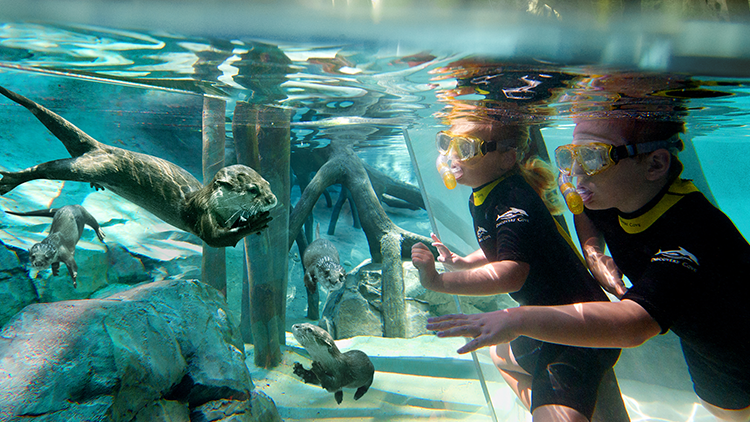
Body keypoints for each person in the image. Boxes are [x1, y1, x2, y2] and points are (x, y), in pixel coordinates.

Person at [426, 116, 750, 421]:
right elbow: (582, 210)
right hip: (708, 354)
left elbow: (635, 325)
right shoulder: (618, 194)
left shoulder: (691, 228)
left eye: (594, 157)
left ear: (655, 163)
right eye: (571, 157)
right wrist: (593, 252)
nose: (575, 173)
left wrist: (516, 318)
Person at [411, 117, 628, 422]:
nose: (452, 157)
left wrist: (438, 281)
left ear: (507, 158)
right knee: (499, 356)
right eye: (448, 143)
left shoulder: (512, 200)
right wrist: (465, 262)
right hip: (543, 322)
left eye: (467, 148)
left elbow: (511, 273)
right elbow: (507, 247)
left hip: (578, 328)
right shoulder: (486, 193)